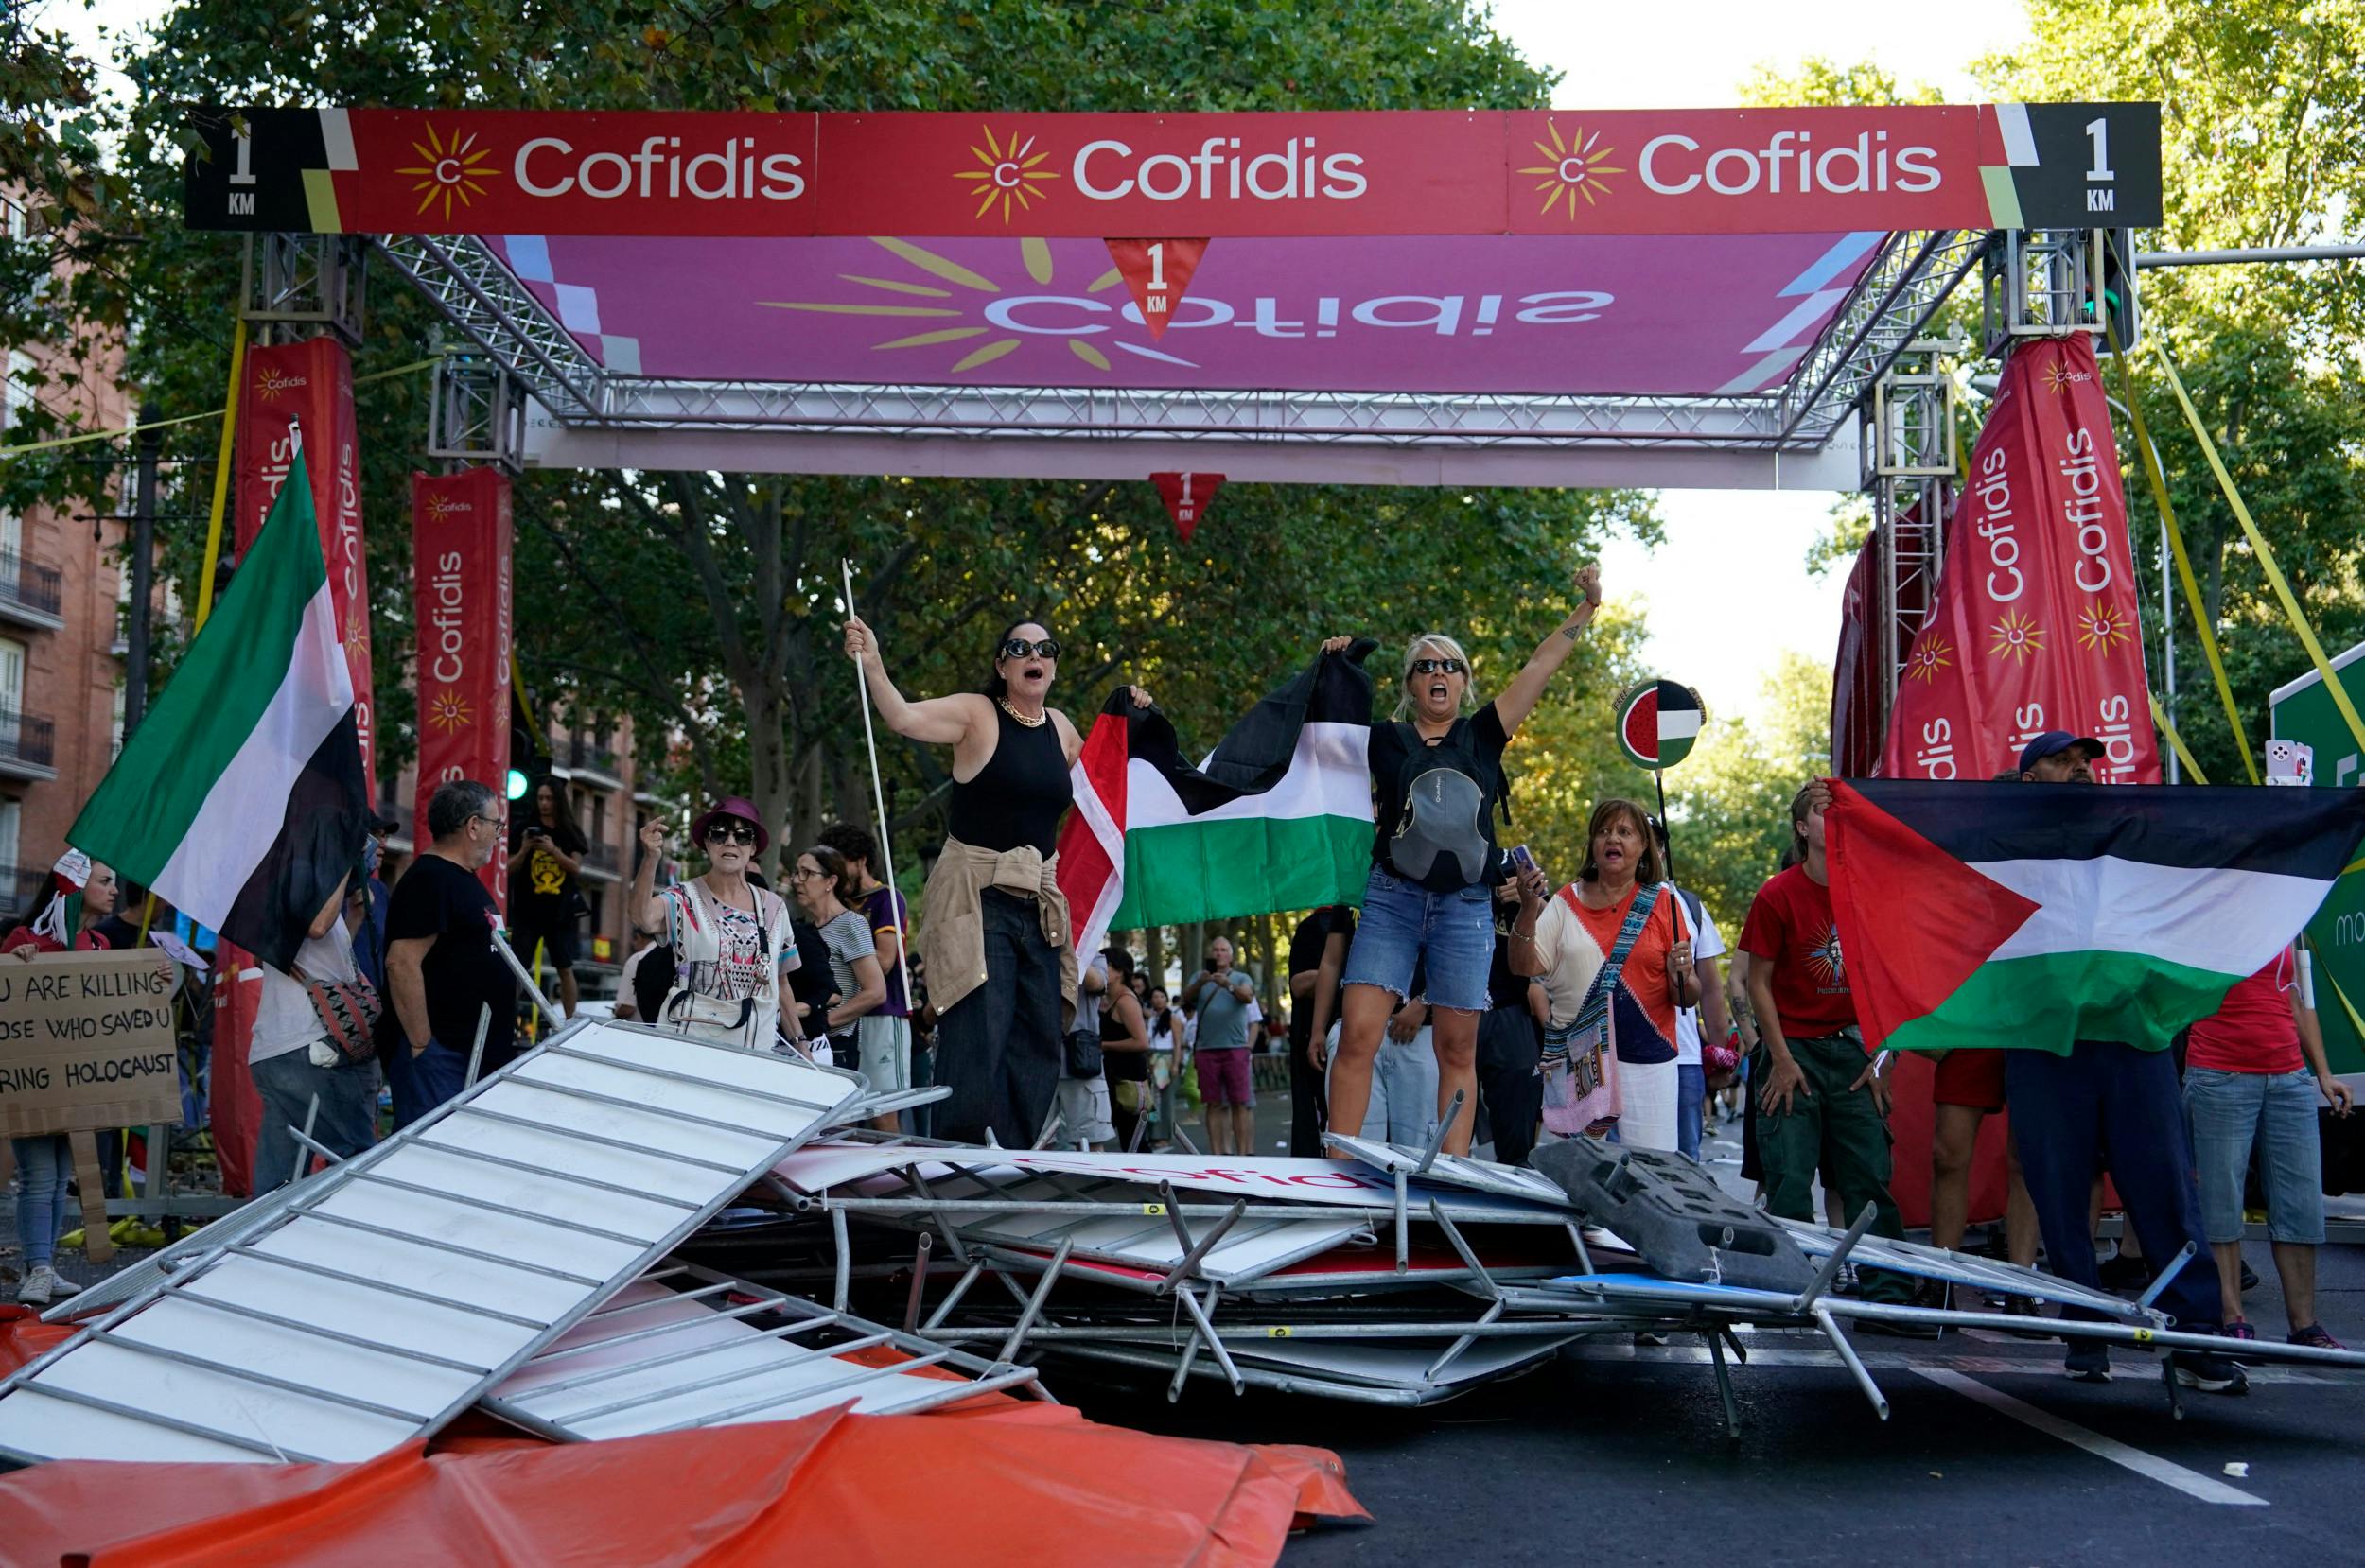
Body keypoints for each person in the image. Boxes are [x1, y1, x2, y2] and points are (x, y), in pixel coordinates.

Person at [1321, 563, 1604, 1157]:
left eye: (1451, 664)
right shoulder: (1386, 740)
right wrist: (1333, 667)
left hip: (1466, 908)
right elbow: (1316, 736)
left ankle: (1451, 1177)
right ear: (1411, 684)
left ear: (1465, 681)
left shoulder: (1483, 734)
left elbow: (1540, 666)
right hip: (1391, 901)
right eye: (1426, 665)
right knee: (1358, 1037)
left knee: (1456, 1049)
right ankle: (1337, 1172)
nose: (1439, 672)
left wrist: (1586, 610)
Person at [845, 611, 1149, 1146]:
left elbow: (1113, 776)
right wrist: (872, 661)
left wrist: (1136, 714)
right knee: (981, 1028)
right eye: (1020, 649)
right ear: (1001, 665)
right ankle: (962, 1162)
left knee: (1038, 1033)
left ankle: (1014, 1157)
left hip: (1040, 905)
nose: (1035, 656)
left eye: (1045, 649)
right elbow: (904, 719)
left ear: (1053, 666)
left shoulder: (1060, 728)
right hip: (978, 899)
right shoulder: (977, 714)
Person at [2004, 733, 2247, 1389]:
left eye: (2084, 760)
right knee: (2060, 1195)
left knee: (2165, 1188)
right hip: (2045, 1044)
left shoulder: (2131, 833)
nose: (2079, 768)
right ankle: (2087, 1335)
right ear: (2028, 780)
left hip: (2136, 1040)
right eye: (2060, 761)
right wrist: (1848, 807)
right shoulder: (1998, 844)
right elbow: (1913, 850)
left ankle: (2194, 1338)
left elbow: (2212, 852)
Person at [1737, 782, 1925, 1326]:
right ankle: (1790, 1294)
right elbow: (1758, 983)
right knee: (1790, 1180)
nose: (1834, 818)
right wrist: (1780, 1058)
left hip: (1853, 1053)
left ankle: (1887, 1295)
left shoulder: (1872, 892)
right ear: (1802, 829)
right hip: (1791, 1050)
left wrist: (1883, 1059)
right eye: (1823, 811)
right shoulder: (1778, 894)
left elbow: (1900, 982)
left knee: (1869, 1176)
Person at [2184, 943, 2354, 1348]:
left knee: (2301, 1203)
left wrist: (2323, 1074)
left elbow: (2298, 998)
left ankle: (2305, 1325)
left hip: (2288, 1077)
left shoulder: (2285, 908)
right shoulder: (2207, 904)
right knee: (2220, 1202)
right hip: (2218, 1071)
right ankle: (2231, 1316)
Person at [1510, 803, 1697, 1152]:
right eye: (1604, 831)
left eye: (1625, 832)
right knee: (1578, 1174)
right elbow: (1523, 967)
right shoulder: (1566, 901)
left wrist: (1682, 975)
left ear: (1644, 846)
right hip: (1579, 1057)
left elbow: (1687, 997)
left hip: (1648, 1056)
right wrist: (1527, 910)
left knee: (1651, 1171)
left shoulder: (1663, 902)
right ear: (1593, 844)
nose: (1613, 838)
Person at [7, 855, 116, 1305]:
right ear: (73, 888)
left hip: (79, 1086)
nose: (114, 890)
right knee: (37, 1176)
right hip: (31, 1084)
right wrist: (14, 961)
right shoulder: (25, 940)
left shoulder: (101, 947)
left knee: (57, 1180)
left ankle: (45, 1267)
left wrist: (155, 978)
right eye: (104, 881)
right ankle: (37, 1267)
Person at [385, 781, 514, 1126]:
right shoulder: (431, 879)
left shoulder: (462, 880)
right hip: (444, 1058)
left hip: (471, 1057)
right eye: (496, 825)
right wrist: (422, 1045)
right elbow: (401, 963)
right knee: (431, 1159)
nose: (499, 835)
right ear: (473, 826)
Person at [629, 798, 801, 1051]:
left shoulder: (774, 907)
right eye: (719, 834)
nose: (730, 841)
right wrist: (651, 859)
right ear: (707, 843)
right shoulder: (683, 897)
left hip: (755, 1048)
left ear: (753, 847)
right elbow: (641, 918)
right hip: (690, 1042)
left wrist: (800, 1042)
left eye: (742, 836)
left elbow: (781, 983)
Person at [250, 873, 378, 1191]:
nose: (375, 851)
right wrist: (344, 866)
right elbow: (317, 928)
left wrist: (356, 915)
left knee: (279, 1181)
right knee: (357, 1162)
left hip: (279, 1050)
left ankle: (262, 1240)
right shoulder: (306, 885)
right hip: (309, 1047)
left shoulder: (285, 893)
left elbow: (319, 956)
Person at [1650, 820, 1741, 1162]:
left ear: (1662, 850)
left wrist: (1721, 1052)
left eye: (1653, 843)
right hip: (1620, 1060)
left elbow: (1712, 990)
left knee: (1685, 1163)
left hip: (1683, 1058)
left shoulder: (1688, 906)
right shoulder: (1598, 900)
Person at [818, 822, 915, 1130]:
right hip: (847, 1019)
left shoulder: (887, 900)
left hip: (883, 1017)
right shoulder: (836, 905)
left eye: (840, 864)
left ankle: (899, 1176)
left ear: (860, 861)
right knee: (844, 1112)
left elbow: (884, 962)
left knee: (883, 1110)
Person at [790, 844, 887, 1076]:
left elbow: (875, 991)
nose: (796, 880)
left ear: (830, 882)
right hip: (801, 1044)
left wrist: (824, 1021)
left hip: (836, 1047)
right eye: (796, 872)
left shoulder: (851, 924)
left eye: (807, 873)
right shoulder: (804, 928)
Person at [1477, 869, 1549, 1168]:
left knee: (1518, 1140)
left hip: (1510, 1011)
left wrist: (1532, 903)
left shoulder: (1510, 865)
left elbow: (1562, 929)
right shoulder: (1422, 855)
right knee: (1440, 1136)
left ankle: (1517, 1207)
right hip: (1444, 1011)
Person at [507, 777, 589, 1019]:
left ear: (558, 801)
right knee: (518, 968)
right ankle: (506, 1017)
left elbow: (576, 868)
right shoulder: (524, 828)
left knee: (565, 967)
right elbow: (507, 870)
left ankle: (570, 1020)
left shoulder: (569, 831)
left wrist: (553, 850)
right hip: (526, 910)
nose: (544, 803)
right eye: (540, 798)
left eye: (549, 798)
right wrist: (524, 849)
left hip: (560, 912)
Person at [1287, 905, 1356, 1156]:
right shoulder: (1310, 928)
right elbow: (1297, 984)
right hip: (1325, 1034)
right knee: (1330, 1109)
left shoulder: (1376, 916)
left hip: (1360, 1030)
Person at [1184, 936, 1259, 1156]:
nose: (1219, 954)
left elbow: (1247, 996)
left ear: (1231, 955)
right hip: (1206, 1049)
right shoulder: (1199, 977)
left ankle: (1244, 1155)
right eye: (1215, 950)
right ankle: (1217, 1155)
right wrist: (1202, 982)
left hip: (1235, 1048)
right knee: (1213, 1103)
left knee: (1240, 1102)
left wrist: (1226, 984)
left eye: (1224, 950)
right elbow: (1186, 999)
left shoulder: (1241, 977)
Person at [1057, 950, 1117, 1147]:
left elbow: (1097, 983)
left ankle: (1096, 1180)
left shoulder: (1092, 955)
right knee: (1034, 1145)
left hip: (1081, 1065)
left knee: (1092, 1142)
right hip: (1037, 1064)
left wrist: (1066, 948)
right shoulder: (1031, 946)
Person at [1101, 948, 1154, 1150]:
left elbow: (1142, 1041)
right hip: (1116, 1076)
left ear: (1119, 971)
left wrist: (1104, 1045)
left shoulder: (1126, 1001)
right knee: (1127, 1136)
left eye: (1104, 965)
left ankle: (1150, 1179)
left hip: (1129, 1078)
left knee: (1135, 1138)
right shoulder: (1111, 999)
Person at [612, 929, 657, 1022]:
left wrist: (616, 1013)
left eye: (633, 940)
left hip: (638, 1031)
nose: (633, 945)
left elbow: (627, 1008)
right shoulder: (674, 956)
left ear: (638, 937)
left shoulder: (637, 959)